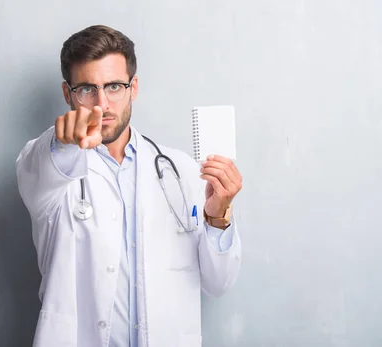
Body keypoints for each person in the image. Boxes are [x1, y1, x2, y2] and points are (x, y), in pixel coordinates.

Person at [15, 24, 243, 347]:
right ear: (68, 94)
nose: (102, 104)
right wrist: (62, 141)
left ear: (133, 87)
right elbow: (37, 166)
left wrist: (218, 218)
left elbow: (218, 283)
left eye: (114, 87)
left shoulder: (182, 172)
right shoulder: (51, 171)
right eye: (86, 90)